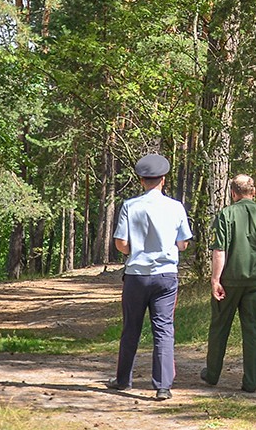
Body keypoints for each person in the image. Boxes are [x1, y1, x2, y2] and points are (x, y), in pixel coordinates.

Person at [106, 153, 192, 401]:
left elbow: (121, 243)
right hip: (166, 276)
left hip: (137, 275)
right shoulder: (176, 207)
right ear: (162, 180)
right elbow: (184, 243)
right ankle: (163, 386)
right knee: (164, 329)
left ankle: (123, 380)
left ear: (142, 180)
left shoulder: (130, 206)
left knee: (131, 327)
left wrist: (137, 250)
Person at [201, 174, 256, 393]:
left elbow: (219, 250)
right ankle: (251, 382)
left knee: (219, 326)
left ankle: (212, 374)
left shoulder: (226, 215)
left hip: (229, 282)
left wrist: (215, 280)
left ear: (233, 193)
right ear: (254, 192)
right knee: (253, 330)